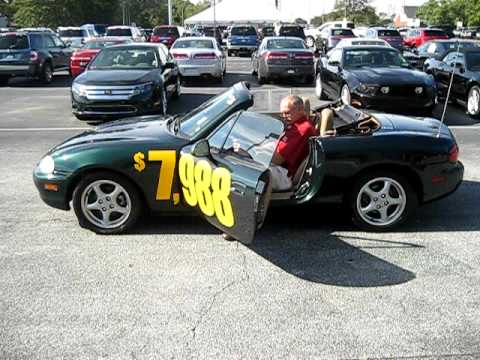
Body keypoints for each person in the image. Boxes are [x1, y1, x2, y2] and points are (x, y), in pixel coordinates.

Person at [270, 95, 317, 191]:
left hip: (285, 176)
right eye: (282, 114)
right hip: (282, 169)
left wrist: (253, 154)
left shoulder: (301, 129)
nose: (284, 117)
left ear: (300, 110)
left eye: (287, 113)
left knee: (249, 169)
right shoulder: (296, 125)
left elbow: (276, 160)